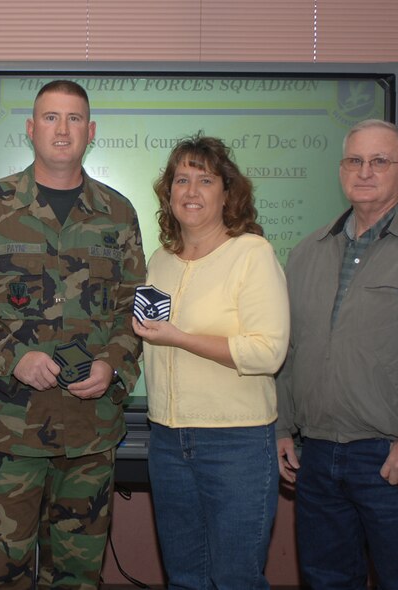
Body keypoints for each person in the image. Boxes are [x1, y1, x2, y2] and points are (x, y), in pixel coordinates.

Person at [0, 80, 146, 589]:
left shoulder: (118, 214)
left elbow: (132, 307)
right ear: (30, 128)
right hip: (10, 428)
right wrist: (12, 356)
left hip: (89, 430)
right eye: (51, 117)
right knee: (1, 574)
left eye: (74, 118)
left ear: (91, 131)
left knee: (78, 576)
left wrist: (112, 364)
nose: (62, 129)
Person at [276, 119, 398, 588]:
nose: (365, 171)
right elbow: (289, 350)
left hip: (394, 459)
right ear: (341, 170)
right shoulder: (308, 251)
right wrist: (282, 427)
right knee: (325, 581)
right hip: (315, 456)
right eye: (354, 160)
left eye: (379, 161)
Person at [133, 135, 289, 589]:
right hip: (167, 441)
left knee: (236, 578)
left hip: (235, 444)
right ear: (168, 193)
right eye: (181, 180)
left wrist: (180, 338)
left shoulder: (252, 254)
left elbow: (268, 351)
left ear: (227, 193)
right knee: (185, 578)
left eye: (205, 180)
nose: (192, 191)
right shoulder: (160, 261)